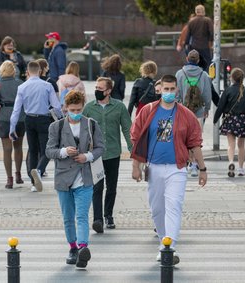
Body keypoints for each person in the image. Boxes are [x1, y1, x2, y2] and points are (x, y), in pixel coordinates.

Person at [130, 74, 207, 265]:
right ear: (160, 89)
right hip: (154, 167)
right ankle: (163, 240)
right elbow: (136, 138)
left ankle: (169, 247)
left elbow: (195, 143)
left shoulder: (186, 115)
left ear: (177, 91)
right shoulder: (148, 111)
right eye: (166, 89)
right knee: (157, 209)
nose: (169, 93)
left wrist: (203, 168)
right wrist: (136, 166)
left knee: (174, 206)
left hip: (177, 168)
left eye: (172, 89)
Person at [45, 90, 104, 268]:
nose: (76, 113)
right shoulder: (56, 127)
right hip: (64, 178)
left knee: (82, 215)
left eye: (79, 109)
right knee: (68, 217)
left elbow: (101, 147)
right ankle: (72, 247)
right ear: (65, 108)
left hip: (85, 177)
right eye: (72, 109)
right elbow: (49, 151)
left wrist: (88, 156)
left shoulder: (91, 124)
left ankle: (83, 248)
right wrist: (63, 152)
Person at [83, 77, 132, 232]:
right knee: (97, 187)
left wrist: (133, 150)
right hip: (95, 155)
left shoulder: (119, 107)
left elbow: (127, 129)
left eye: (100, 88)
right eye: (96, 87)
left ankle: (108, 215)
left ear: (109, 91)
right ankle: (97, 219)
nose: (97, 90)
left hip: (113, 153)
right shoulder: (89, 108)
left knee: (111, 187)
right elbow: (82, 129)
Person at [10, 61, 61, 192]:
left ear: (27, 72)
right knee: (46, 150)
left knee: (33, 150)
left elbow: (16, 110)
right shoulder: (47, 85)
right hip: (44, 119)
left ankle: (33, 184)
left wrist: (12, 128)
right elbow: (56, 106)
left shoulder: (22, 87)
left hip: (29, 119)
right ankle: (39, 171)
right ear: (39, 71)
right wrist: (61, 119)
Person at [0, 61, 25, 189]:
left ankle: (9, 179)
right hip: (20, 118)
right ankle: (19, 174)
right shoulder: (20, 84)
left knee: (7, 149)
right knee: (18, 147)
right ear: (13, 71)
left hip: (4, 118)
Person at [175, 49, 211, 177]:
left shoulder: (180, 74)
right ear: (198, 60)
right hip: (198, 112)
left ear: (187, 59)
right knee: (196, 139)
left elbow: (177, 94)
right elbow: (207, 94)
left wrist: (177, 105)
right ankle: (195, 166)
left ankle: (186, 164)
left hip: (183, 110)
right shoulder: (204, 75)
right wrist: (207, 108)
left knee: (183, 138)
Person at [213, 68, 245, 177]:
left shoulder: (228, 90)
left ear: (232, 78)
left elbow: (221, 106)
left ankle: (231, 162)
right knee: (241, 145)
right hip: (243, 120)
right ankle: (241, 169)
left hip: (230, 119)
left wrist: (215, 119)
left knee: (231, 145)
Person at [186, 5, 213, 71]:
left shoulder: (191, 21)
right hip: (205, 46)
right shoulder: (208, 20)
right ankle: (206, 78)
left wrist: (187, 46)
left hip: (194, 46)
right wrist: (210, 42)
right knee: (207, 64)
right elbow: (212, 33)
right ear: (203, 11)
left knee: (194, 64)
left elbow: (188, 36)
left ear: (196, 12)